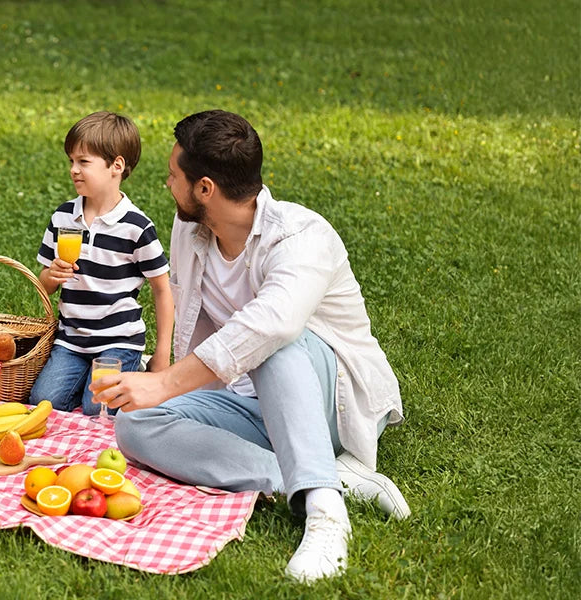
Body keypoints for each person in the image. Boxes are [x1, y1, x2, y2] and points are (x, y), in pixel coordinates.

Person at [95, 110, 409, 582]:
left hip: (330, 405)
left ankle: (325, 513)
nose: (166, 184)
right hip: (245, 401)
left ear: (205, 188)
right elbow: (198, 334)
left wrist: (165, 383)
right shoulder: (190, 229)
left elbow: (271, 326)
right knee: (134, 425)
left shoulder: (302, 236)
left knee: (273, 344)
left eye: (173, 176)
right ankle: (318, 478)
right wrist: (158, 388)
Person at [29, 111, 173, 415]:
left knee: (97, 410)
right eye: (71, 161)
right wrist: (52, 276)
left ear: (116, 166)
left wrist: (162, 355)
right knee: (44, 402)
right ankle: (91, 379)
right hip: (71, 340)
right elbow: (43, 285)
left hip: (118, 341)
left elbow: (162, 289)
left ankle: (136, 368)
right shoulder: (63, 217)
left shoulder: (136, 227)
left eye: (83, 162)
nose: (73, 170)